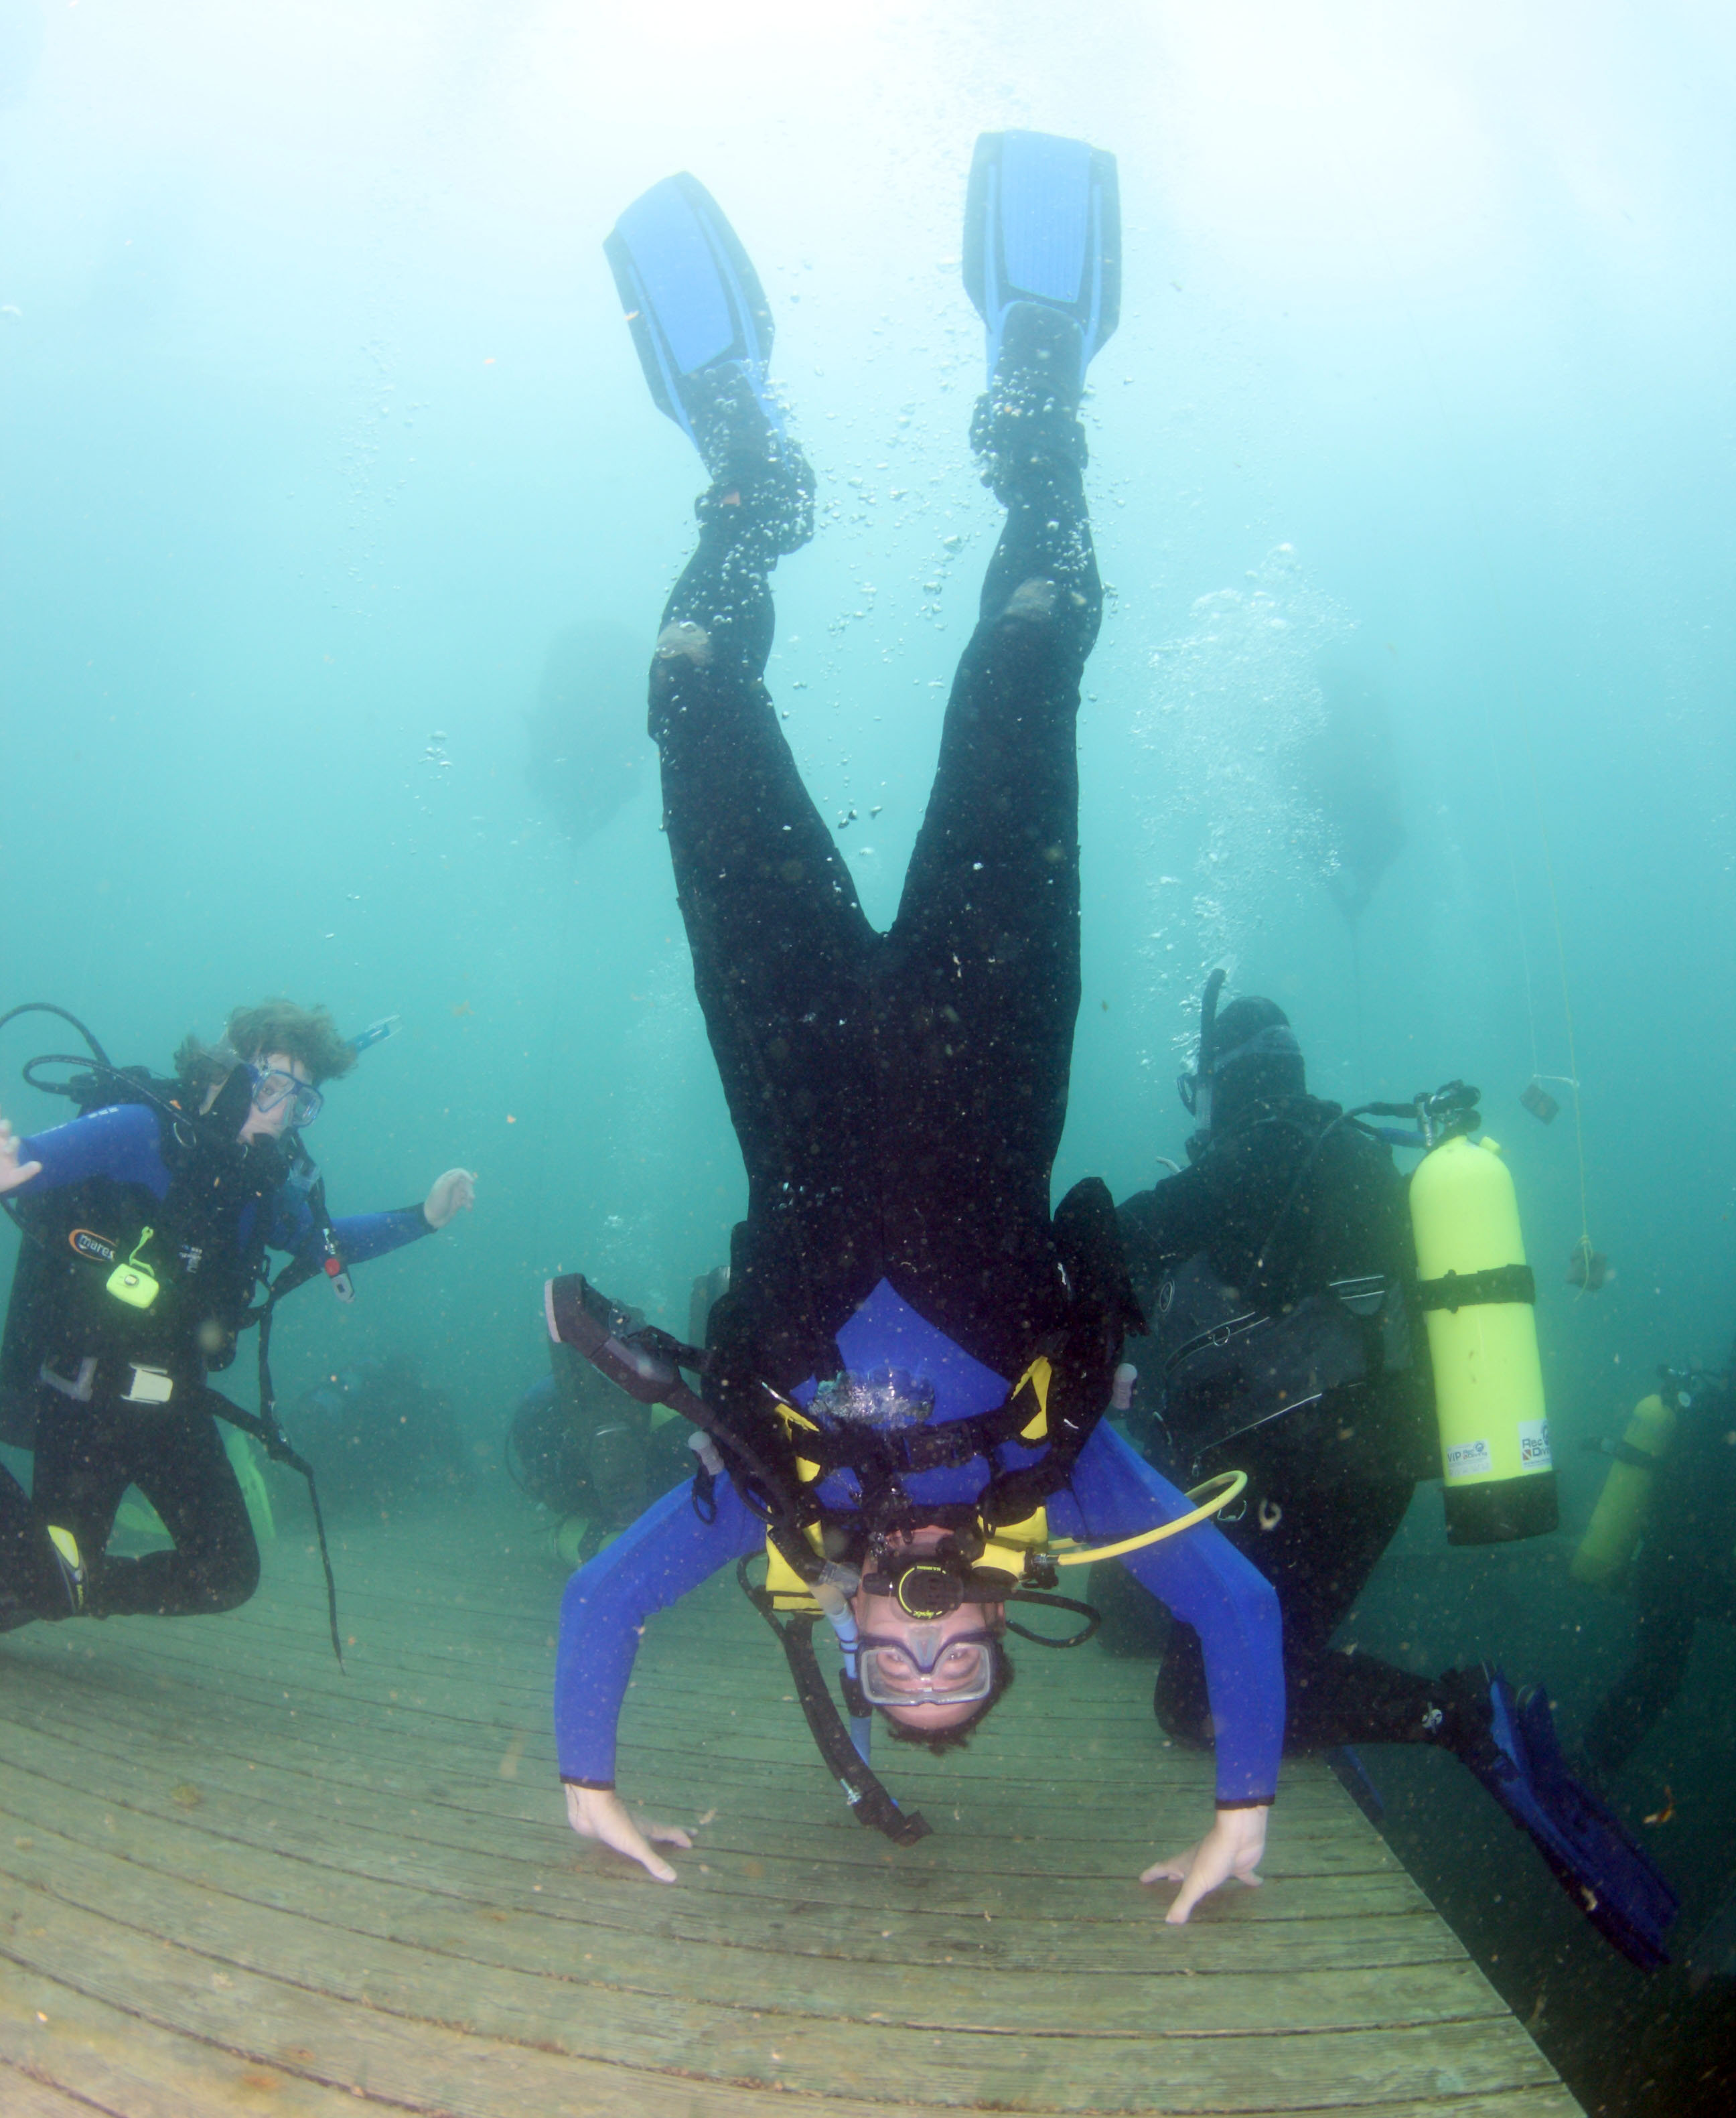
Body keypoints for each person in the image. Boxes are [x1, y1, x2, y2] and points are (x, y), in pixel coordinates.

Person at [548, 134, 1285, 1926]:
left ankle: (750, 478)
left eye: (905, 1665)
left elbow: (599, 1604)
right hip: (990, 1028)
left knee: (686, 690)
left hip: (785, 1047)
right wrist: (1242, 1812)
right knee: (1027, 654)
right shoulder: (1061, 1462)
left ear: (848, 1637)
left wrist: (586, 1782)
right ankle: (1038, 401)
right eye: (964, 1658)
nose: (934, 1632)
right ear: (1007, 1628)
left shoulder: (769, 1496)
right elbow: (1239, 1607)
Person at [1115, 979, 1678, 1968]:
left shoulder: (1263, 1152)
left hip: (1301, 1469)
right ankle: (1353, 1711)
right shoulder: (1359, 1154)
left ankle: (1454, 1712)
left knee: (1190, 1696)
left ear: (1220, 1084)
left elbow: (1119, 1237)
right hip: (1381, 1464)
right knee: (1236, 1641)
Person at [0, 999, 476, 1626]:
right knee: (41, 1587)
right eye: (270, 1088)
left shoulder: (262, 1190)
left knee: (225, 1575)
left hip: (174, 1408)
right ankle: (50, 1583)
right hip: (85, 1405)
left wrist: (425, 1218)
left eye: (300, 1102)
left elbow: (324, 1241)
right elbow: (31, 1159)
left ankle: (76, 1585)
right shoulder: (140, 1130)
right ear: (219, 1073)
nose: (280, 1119)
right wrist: (13, 1160)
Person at [1581, 1348, 1736, 1776]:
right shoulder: (1719, 1422)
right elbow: (1701, 1503)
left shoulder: (1705, 1414)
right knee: (1656, 1677)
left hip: (1668, 1565)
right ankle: (1589, 1766)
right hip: (1683, 1569)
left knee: (1656, 1676)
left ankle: (1590, 1765)